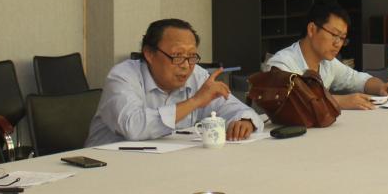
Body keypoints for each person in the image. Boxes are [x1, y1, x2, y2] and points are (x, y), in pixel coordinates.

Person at [86, 18, 262, 146]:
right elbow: (134, 127)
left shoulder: (197, 74)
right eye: (177, 56)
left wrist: (244, 121)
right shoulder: (122, 77)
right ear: (149, 54)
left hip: (168, 163)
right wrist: (195, 102)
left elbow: (236, 109)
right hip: (109, 165)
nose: (185, 65)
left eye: (191, 56)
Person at [265, 2, 388, 110]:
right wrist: (340, 101)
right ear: (312, 29)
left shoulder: (328, 63)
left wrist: (381, 87)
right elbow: (293, 102)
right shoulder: (282, 63)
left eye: (342, 38)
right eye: (334, 35)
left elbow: (358, 80)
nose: (338, 44)